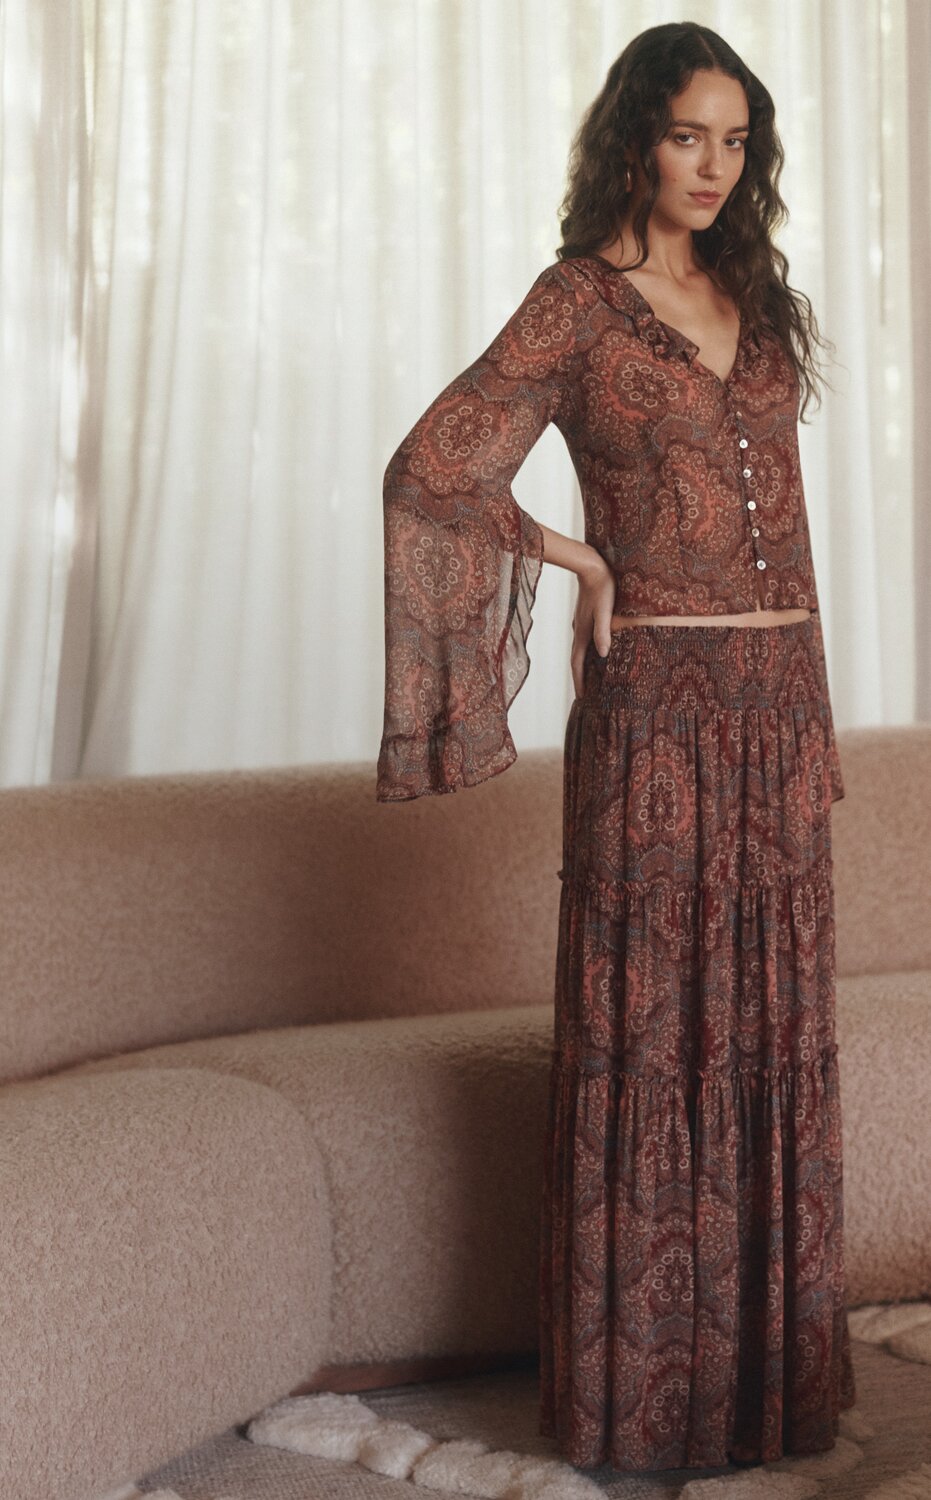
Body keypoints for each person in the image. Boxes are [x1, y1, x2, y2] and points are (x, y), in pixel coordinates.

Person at [375, 19, 856, 1475]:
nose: (713, 164)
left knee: (770, 1034)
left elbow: (795, 531)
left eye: (735, 138)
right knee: (657, 1039)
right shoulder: (579, 302)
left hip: (775, 716)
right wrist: (583, 565)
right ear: (636, 137)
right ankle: (643, 1404)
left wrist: (818, 714)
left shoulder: (758, 301)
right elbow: (434, 467)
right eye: (686, 134)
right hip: (656, 717)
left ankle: (767, 1393)